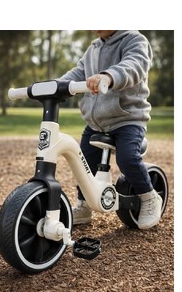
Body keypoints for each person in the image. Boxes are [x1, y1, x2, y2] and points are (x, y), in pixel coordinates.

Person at [58, 30, 162, 230]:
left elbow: (134, 65)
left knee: (127, 159)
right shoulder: (93, 48)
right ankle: (84, 204)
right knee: (83, 162)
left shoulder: (134, 40)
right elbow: (79, 72)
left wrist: (108, 76)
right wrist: (56, 85)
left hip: (128, 119)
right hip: (96, 123)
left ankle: (149, 197)